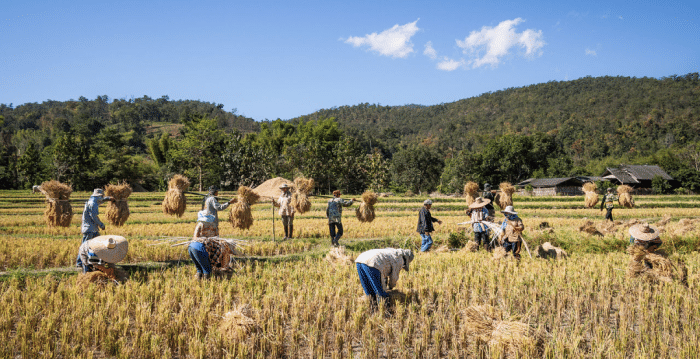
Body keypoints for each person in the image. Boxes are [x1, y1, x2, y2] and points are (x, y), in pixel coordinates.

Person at [76, 188, 114, 268]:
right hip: (89, 229)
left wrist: (108, 198)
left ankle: (100, 261)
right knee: (84, 246)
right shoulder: (93, 203)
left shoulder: (93, 201)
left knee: (99, 244)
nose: (102, 198)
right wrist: (101, 224)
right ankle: (79, 263)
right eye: (101, 196)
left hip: (93, 229)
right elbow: (94, 216)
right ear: (98, 196)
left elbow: (101, 200)